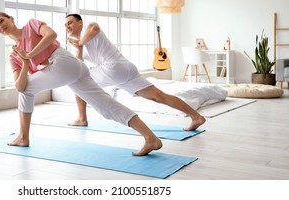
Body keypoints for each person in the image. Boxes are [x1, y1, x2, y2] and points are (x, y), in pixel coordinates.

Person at [0, 11, 162, 156]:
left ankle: (23, 137)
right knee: (107, 107)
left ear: (11, 19)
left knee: (27, 90)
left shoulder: (31, 25)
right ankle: (151, 138)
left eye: (1, 21)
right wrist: (26, 62)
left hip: (63, 61)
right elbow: (19, 86)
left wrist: (29, 55)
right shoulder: (14, 55)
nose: (0, 26)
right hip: (74, 71)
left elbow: (52, 35)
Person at [64, 13, 206, 131]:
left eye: (70, 23)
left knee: (78, 82)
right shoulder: (75, 44)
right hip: (125, 70)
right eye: (65, 25)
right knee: (158, 96)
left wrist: (80, 44)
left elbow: (94, 28)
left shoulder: (89, 28)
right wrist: (78, 48)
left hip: (113, 68)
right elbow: (79, 66)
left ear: (80, 23)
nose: (67, 27)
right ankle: (196, 117)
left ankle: (82, 118)